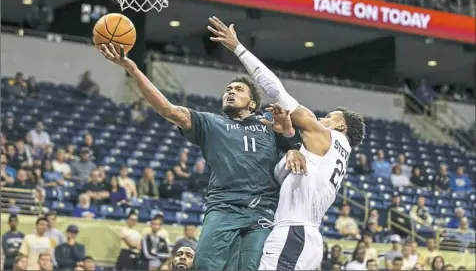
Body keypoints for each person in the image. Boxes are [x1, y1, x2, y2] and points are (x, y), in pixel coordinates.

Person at [100, 31, 303, 270]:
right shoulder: (209, 122)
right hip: (224, 207)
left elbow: (295, 139)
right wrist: (133, 69)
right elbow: (167, 109)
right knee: (205, 266)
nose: (230, 92)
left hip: (263, 211)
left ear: (252, 103)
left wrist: (293, 142)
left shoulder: (268, 123)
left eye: (238, 89)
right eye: (228, 89)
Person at [207, 16, 365, 270]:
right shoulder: (334, 154)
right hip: (304, 235)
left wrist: (238, 48)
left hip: (294, 233)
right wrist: (290, 144)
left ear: (340, 126)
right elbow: (288, 176)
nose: (322, 119)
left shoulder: (325, 136)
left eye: (328, 117)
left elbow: (277, 91)